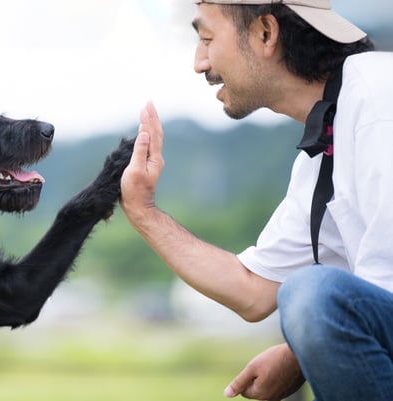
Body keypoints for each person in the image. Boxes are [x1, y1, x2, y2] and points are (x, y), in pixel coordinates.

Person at [120, 1, 393, 400]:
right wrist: (143, 211)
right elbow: (254, 290)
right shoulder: (324, 151)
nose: (199, 63)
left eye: (207, 39)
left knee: (312, 295)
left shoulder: (379, 102)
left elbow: (374, 295)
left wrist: (298, 351)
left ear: (266, 33)